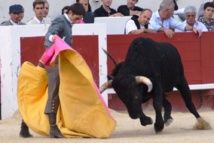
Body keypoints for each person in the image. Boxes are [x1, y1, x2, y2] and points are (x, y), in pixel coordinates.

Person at [42, 3, 85, 138]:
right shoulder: (61, 20)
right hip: (54, 61)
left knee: (54, 91)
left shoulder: (68, 22)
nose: (77, 21)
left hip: (61, 60)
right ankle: (53, 127)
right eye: (76, 18)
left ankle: (25, 125)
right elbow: (49, 34)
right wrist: (52, 37)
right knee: (54, 91)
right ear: (70, 13)